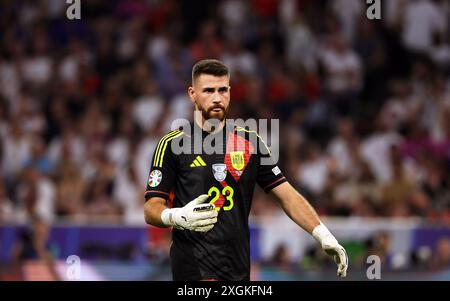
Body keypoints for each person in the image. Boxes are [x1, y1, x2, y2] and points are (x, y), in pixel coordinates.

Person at [143, 59, 348, 281]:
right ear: (192, 94)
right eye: (208, 90)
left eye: (222, 90)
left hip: (237, 271)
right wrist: (176, 216)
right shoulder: (172, 144)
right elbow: (151, 207)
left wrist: (322, 234)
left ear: (230, 92)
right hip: (193, 270)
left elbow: (287, 195)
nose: (216, 98)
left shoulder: (250, 142)